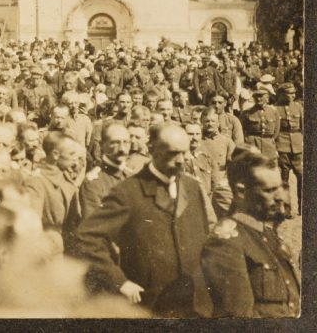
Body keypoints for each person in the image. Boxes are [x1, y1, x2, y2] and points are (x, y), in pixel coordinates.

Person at [73, 123, 213, 317]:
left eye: (184, 153)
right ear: (151, 149)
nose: (181, 160)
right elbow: (87, 236)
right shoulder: (128, 191)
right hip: (151, 304)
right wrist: (119, 281)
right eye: (172, 154)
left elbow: (204, 236)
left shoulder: (192, 187)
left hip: (194, 303)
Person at [201, 149, 300, 317]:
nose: (279, 198)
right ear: (241, 192)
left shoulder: (268, 234)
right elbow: (239, 317)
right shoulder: (226, 243)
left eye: (279, 189)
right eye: (269, 191)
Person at [275, 83, 302, 214]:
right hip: (282, 144)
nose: (293, 95)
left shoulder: (298, 107)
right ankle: (287, 210)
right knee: (284, 178)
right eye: (289, 93)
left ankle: (303, 207)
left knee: (302, 175)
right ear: (281, 94)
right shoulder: (274, 109)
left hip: (297, 145)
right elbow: (274, 130)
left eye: (294, 93)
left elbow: (304, 127)